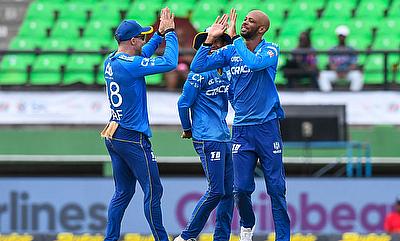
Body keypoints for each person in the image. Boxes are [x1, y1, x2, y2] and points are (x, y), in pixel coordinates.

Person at [190, 9, 290, 241]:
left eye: (251, 21)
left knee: (276, 189)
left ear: (262, 29)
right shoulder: (231, 50)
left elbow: (254, 64)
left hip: (267, 126)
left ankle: (283, 237)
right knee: (241, 189)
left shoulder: (270, 49)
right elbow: (197, 66)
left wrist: (235, 40)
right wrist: (209, 39)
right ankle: (248, 222)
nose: (245, 22)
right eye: (245, 19)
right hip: (242, 129)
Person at [100, 8, 178, 241]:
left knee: (123, 192)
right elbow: (170, 62)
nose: (144, 39)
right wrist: (171, 33)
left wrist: (158, 35)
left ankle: (110, 238)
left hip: (114, 132)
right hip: (132, 136)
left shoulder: (112, 60)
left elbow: (140, 57)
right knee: (154, 190)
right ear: (133, 40)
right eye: (141, 37)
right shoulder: (130, 65)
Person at [175, 29, 233, 241]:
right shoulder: (198, 73)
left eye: (220, 42)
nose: (217, 46)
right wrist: (187, 129)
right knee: (216, 191)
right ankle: (186, 236)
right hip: (207, 137)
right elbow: (183, 103)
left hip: (224, 136)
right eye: (212, 42)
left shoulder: (225, 71)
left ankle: (221, 237)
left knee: (228, 192)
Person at [318, 25, 364, 92]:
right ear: (337, 36)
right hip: (336, 73)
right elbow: (331, 64)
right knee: (323, 75)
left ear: (346, 37)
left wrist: (346, 72)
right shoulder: (332, 49)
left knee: (357, 75)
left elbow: (353, 64)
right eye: (340, 36)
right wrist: (337, 71)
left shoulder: (351, 49)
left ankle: (354, 95)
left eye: (343, 36)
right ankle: (327, 96)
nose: (342, 38)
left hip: (348, 73)